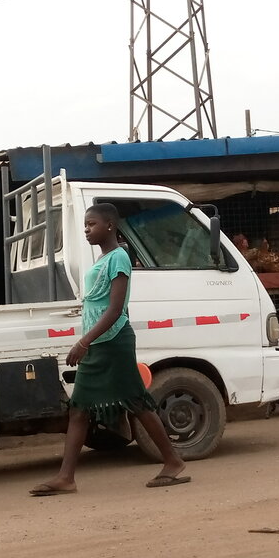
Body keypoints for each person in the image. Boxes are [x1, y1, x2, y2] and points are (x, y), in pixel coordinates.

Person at [30, 203, 190, 495]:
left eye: (91, 224)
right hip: (101, 343)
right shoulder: (104, 259)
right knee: (80, 408)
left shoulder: (119, 258)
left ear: (110, 226)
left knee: (135, 402)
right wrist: (88, 340)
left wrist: (84, 341)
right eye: (86, 225)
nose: (87, 230)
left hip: (113, 342)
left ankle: (173, 461)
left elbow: (115, 310)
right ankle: (66, 477)